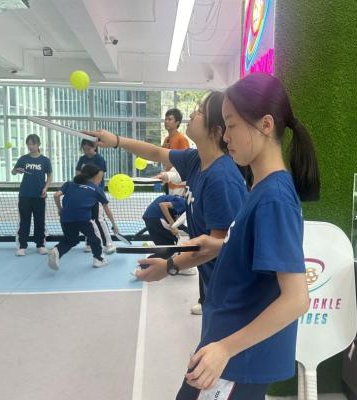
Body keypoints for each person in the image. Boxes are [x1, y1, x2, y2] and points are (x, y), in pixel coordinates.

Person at [136, 73, 320, 399]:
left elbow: (296, 299)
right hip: (227, 346)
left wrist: (225, 349)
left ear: (265, 125)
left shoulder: (274, 197)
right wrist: (214, 248)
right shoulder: (262, 187)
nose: (226, 135)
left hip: (236, 359)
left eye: (232, 125)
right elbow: (257, 254)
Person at [87, 92, 247, 315]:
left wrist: (168, 266)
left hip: (231, 292)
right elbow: (156, 152)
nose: (193, 113)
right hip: (214, 282)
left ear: (216, 131)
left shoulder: (221, 179)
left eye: (200, 111)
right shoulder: (196, 159)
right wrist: (116, 141)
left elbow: (215, 248)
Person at [48, 164, 119, 271]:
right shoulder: (96, 189)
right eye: (99, 178)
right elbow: (106, 209)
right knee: (95, 238)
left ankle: (57, 250)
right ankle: (99, 259)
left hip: (66, 218)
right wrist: (114, 224)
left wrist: (60, 209)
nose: (100, 180)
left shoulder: (69, 184)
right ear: (94, 177)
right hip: (83, 219)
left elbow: (56, 195)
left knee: (71, 240)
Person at [12, 134, 52, 256]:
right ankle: (22, 246)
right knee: (24, 221)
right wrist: (16, 170)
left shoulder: (45, 160)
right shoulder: (23, 159)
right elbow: (13, 172)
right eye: (28, 144)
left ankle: (40, 245)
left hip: (39, 196)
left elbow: (49, 176)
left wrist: (45, 188)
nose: (30, 146)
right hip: (25, 195)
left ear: (38, 144)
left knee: (40, 221)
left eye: (33, 144)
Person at [75, 139, 116, 255]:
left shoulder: (99, 159)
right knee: (88, 218)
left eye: (88, 149)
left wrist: (91, 191)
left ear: (94, 147)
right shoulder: (82, 159)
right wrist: (82, 190)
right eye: (84, 149)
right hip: (84, 194)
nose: (86, 151)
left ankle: (108, 243)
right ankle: (90, 242)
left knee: (98, 218)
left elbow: (98, 178)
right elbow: (78, 175)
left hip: (96, 194)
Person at [162, 108, 190, 195]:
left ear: (177, 122)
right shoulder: (167, 139)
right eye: (166, 119)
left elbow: (186, 163)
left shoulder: (182, 139)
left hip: (179, 185)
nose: (166, 121)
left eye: (170, 119)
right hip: (169, 181)